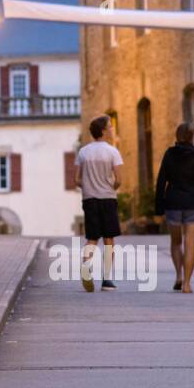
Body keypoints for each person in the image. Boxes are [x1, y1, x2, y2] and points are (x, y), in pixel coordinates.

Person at [154, 122, 194, 293]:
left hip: (173, 204)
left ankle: (178, 276)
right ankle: (187, 284)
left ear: (177, 136)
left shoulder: (169, 154)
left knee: (176, 243)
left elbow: (161, 182)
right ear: (192, 136)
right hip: (193, 204)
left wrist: (158, 209)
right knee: (190, 244)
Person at [73, 114, 123, 292]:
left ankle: (86, 265)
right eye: (109, 126)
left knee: (92, 237)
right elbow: (119, 179)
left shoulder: (83, 152)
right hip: (108, 198)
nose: (111, 129)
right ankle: (107, 279)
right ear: (103, 131)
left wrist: (88, 185)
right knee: (109, 239)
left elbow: (77, 179)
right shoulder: (112, 152)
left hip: (89, 199)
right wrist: (111, 186)